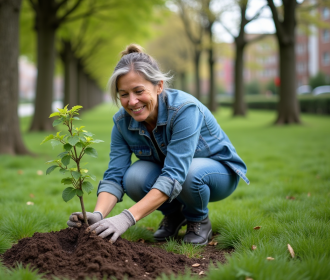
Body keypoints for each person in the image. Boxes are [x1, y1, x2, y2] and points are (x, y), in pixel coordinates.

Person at [67, 44, 249, 245]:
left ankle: (198, 220)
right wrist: (98, 214)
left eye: (138, 91)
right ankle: (174, 215)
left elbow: (174, 174)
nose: (132, 101)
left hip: (217, 174)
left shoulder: (184, 110)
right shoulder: (121, 122)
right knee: (133, 177)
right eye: (124, 94)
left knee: (189, 174)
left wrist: (125, 218)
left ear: (159, 86)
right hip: (176, 176)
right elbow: (115, 175)